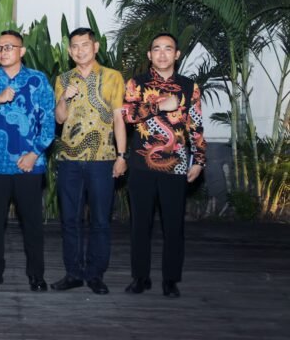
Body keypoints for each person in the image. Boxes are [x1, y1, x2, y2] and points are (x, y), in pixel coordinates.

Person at [0, 30, 56, 291]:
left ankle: (36, 275)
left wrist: (34, 153)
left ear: (22, 51)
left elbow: (49, 122)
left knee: (32, 224)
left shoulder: (38, 80)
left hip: (30, 164)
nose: (3, 52)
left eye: (9, 47)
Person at [122, 32, 206, 298]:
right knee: (140, 225)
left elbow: (195, 126)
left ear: (176, 54)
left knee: (173, 226)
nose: (162, 53)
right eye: (156, 49)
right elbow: (128, 115)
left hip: (176, 165)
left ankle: (171, 280)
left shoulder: (189, 87)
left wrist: (199, 160)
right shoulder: (137, 83)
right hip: (141, 165)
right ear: (149, 55)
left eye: (168, 49)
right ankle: (140, 277)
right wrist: (159, 107)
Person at [51, 28, 127, 295]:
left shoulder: (112, 77)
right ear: (69, 51)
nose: (80, 50)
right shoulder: (63, 79)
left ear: (95, 47)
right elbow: (59, 119)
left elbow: (118, 118)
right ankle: (73, 273)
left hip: (102, 159)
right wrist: (64, 97)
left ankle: (95, 274)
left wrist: (121, 155)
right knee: (69, 220)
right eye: (75, 46)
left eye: (85, 45)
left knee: (100, 220)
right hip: (69, 160)